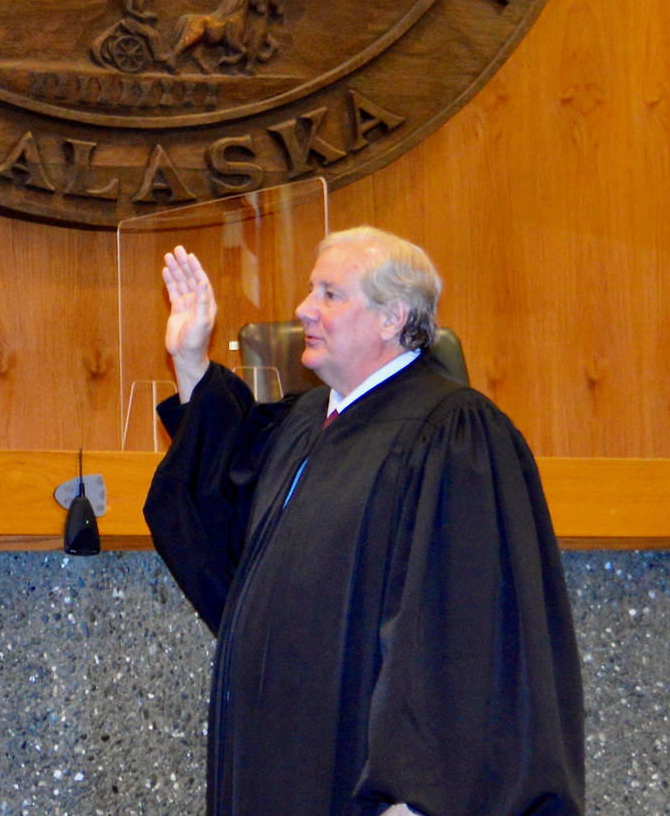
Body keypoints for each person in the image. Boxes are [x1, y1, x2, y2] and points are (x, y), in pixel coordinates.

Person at [142, 227, 584, 816]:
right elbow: (223, 494)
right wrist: (191, 356)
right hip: (269, 770)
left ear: (392, 317)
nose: (303, 309)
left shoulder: (452, 434)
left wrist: (420, 798)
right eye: (309, 291)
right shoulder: (305, 422)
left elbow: (465, 631)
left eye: (330, 294)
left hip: (364, 789)